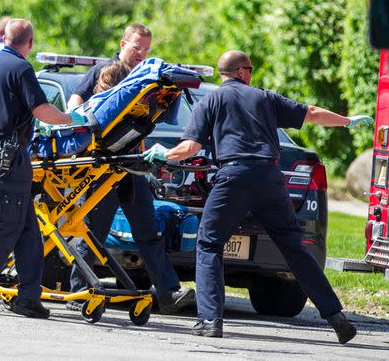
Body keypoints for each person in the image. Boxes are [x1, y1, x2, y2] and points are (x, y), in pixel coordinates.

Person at [144, 50, 372, 343]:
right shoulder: (264, 98)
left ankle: (210, 320)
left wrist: (163, 154)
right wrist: (347, 121)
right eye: (249, 69)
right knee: (294, 249)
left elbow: (189, 148)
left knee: (209, 243)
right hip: (270, 179)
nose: (251, 74)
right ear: (241, 72)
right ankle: (337, 318)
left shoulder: (210, 101)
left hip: (234, 177)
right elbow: (311, 113)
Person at [0, 18, 84, 318]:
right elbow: (42, 111)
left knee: (27, 229)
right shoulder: (21, 68)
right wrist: (72, 120)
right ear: (30, 43)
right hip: (7, 156)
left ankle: (28, 295)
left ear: (5, 38)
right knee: (4, 224)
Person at [65, 23, 195, 314]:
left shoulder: (147, 80)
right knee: (92, 232)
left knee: (148, 232)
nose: (141, 53)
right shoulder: (104, 71)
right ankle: (78, 291)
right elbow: (74, 108)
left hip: (133, 165)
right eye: (137, 47)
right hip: (101, 168)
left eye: (146, 50)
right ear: (123, 44)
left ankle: (167, 293)